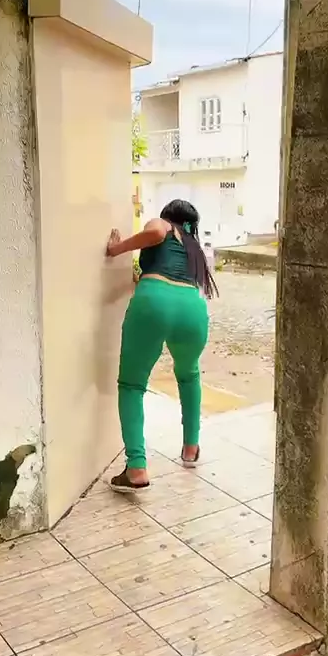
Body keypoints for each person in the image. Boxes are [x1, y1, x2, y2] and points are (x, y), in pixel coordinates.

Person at [105, 199, 218, 493]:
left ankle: (136, 467)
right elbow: (172, 276)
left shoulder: (164, 225)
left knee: (132, 385)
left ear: (169, 216)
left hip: (155, 302)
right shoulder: (193, 247)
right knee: (189, 375)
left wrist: (116, 249)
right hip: (193, 309)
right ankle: (191, 448)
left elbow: (155, 233)